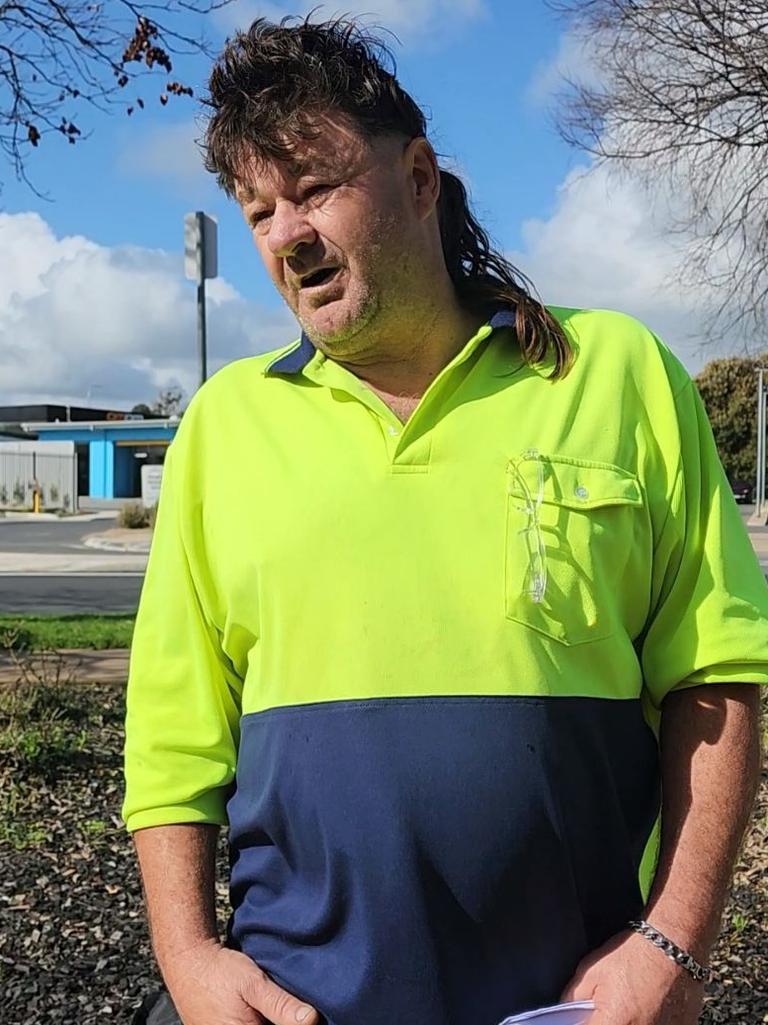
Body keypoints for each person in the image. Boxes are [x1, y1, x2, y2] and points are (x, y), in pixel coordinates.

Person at [123, 16, 768, 1025]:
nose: (287, 234)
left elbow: (717, 673)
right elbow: (172, 739)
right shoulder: (224, 426)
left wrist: (672, 941)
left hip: (574, 1003)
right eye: (258, 209)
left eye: (316, 188)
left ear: (419, 177)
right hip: (300, 1004)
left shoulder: (615, 375)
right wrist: (189, 956)